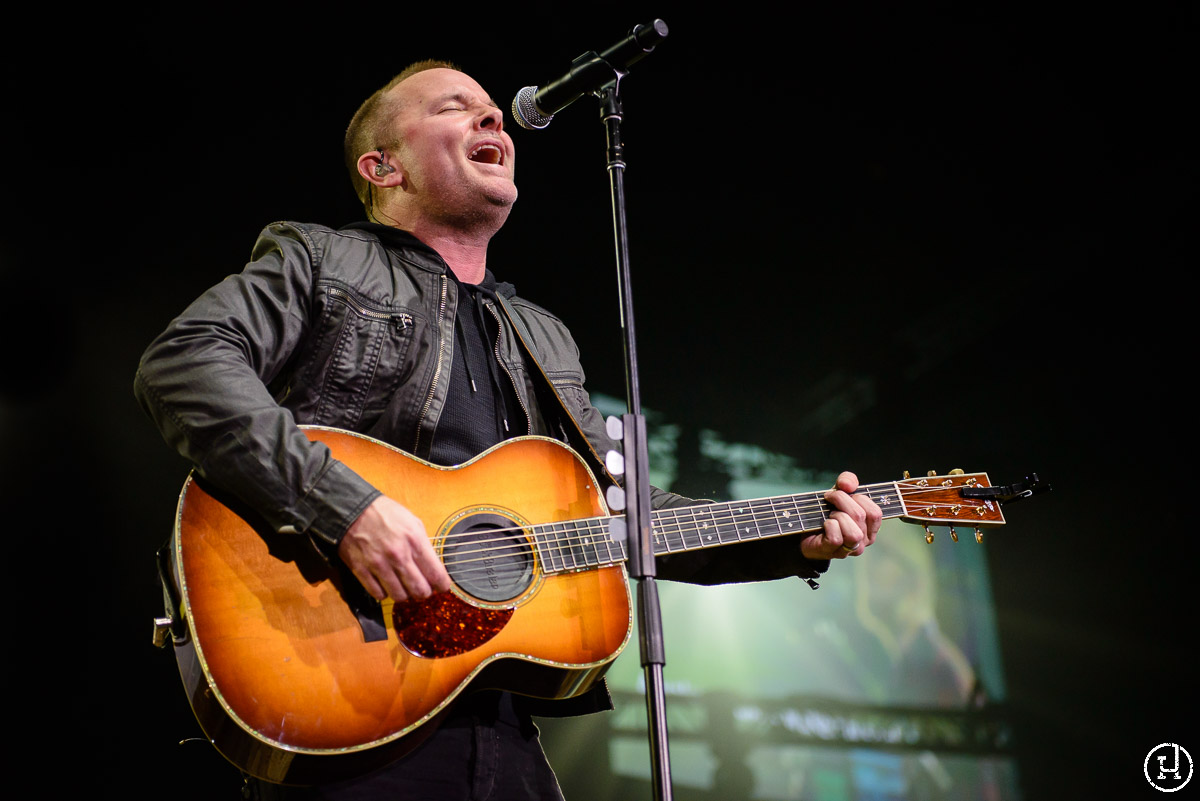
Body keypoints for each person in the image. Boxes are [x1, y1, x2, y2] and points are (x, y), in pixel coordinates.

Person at [134, 60, 882, 800]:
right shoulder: (321, 259)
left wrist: (797, 538)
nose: (493, 119)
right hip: (342, 699)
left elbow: (619, 517)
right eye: (456, 109)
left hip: (500, 727)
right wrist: (347, 506)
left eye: (492, 109)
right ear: (383, 167)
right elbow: (183, 364)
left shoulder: (541, 336)